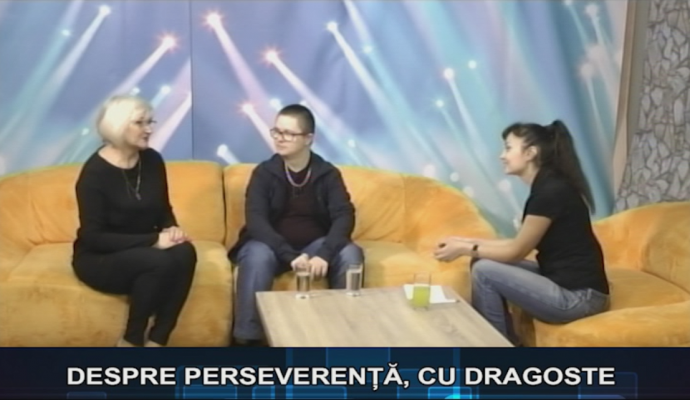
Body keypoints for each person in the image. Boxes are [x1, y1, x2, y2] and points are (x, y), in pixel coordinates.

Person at [433, 120, 610, 346]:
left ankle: (494, 349)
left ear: (530, 153)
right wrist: (464, 242)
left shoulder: (550, 193)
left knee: (485, 270)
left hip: (580, 299)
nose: (502, 156)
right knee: (481, 262)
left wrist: (464, 248)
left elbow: (515, 252)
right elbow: (519, 243)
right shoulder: (548, 186)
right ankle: (507, 342)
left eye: (508, 148)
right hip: (561, 281)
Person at [228, 104, 365, 346]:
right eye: (277, 132)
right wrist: (289, 255)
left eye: (288, 134)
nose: (280, 138)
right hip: (271, 247)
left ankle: (342, 335)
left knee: (350, 253)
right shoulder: (264, 173)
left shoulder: (327, 174)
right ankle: (247, 340)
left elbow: (344, 216)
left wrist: (324, 255)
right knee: (257, 255)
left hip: (314, 247)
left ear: (308, 139)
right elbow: (256, 221)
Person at [72, 95, 197, 347]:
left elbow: (163, 209)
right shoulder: (94, 174)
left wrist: (171, 229)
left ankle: (159, 339)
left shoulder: (152, 160)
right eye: (140, 123)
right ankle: (131, 341)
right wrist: (154, 241)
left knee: (185, 252)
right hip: (100, 257)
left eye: (150, 122)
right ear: (118, 126)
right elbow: (94, 238)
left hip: (143, 248)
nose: (149, 129)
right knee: (158, 261)